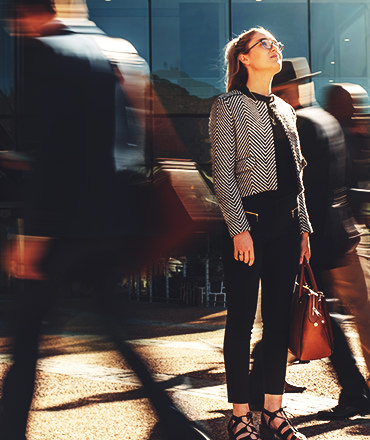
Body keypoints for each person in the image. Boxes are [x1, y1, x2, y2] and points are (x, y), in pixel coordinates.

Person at [0, 1, 211, 439]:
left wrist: (34, 235)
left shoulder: (47, 53)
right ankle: (174, 422)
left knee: (26, 337)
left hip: (64, 225)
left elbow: (53, 152)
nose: (11, 27)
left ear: (28, 14)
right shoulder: (114, 49)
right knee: (116, 328)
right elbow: (119, 138)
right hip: (115, 217)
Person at [209, 27, 311, 440]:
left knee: (278, 321)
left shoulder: (286, 110)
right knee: (240, 323)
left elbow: (297, 178)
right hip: (249, 226)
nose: (275, 48)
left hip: (287, 227)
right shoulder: (228, 106)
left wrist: (304, 228)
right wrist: (239, 229)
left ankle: (273, 411)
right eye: (266, 44)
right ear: (245, 58)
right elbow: (223, 173)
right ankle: (239, 415)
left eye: (276, 43)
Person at [272, 58, 370, 420]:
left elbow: (297, 191)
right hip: (341, 234)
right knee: (345, 314)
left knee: (316, 315)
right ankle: (356, 388)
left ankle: (354, 390)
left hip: (315, 240)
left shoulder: (296, 126)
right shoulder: (326, 121)